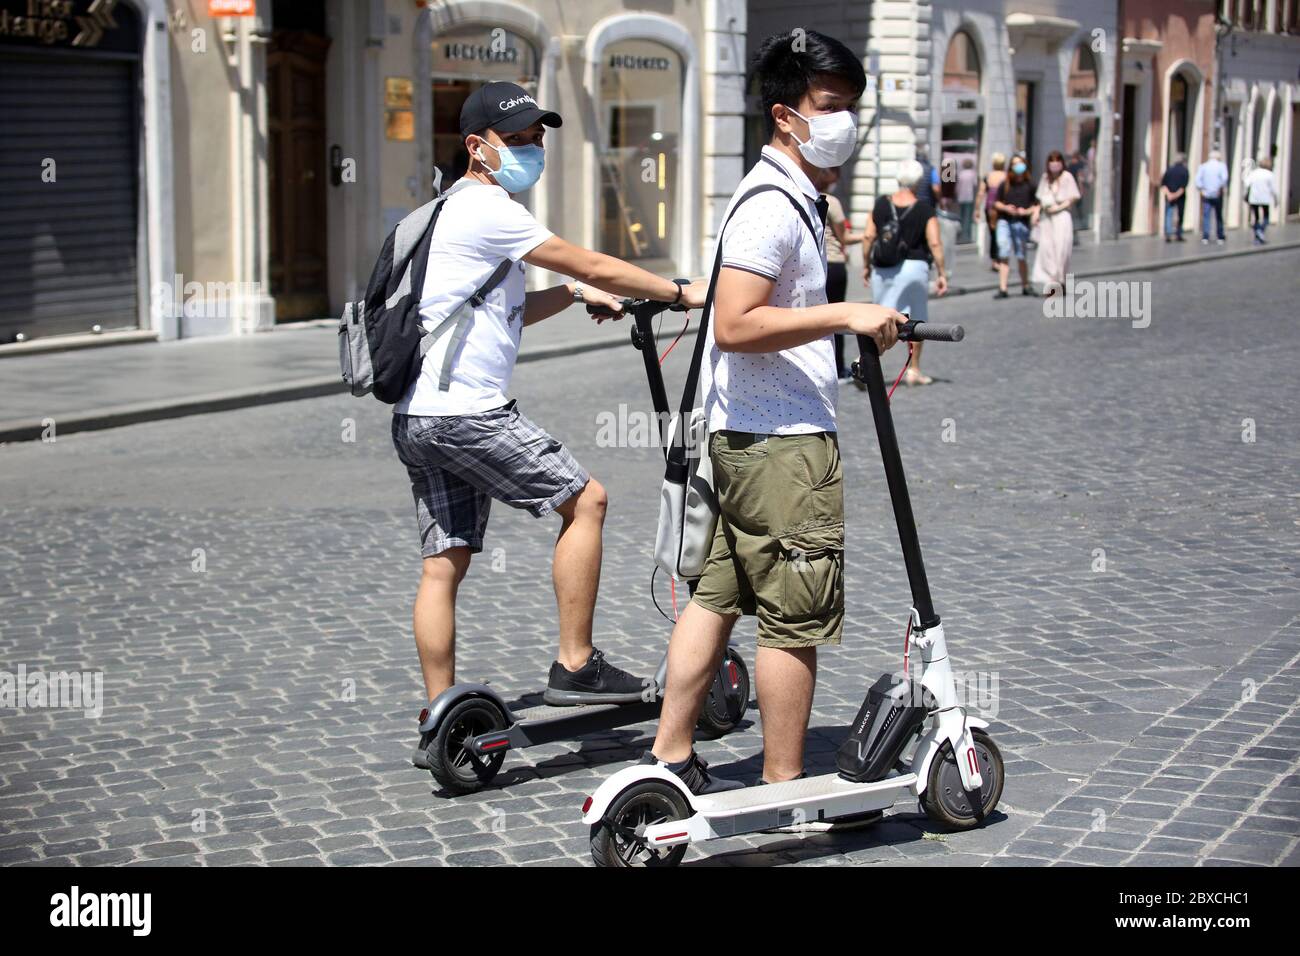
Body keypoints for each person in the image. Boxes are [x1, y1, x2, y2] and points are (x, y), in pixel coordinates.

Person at [393, 81, 711, 740]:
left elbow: (505, 310)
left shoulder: (442, 212)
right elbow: (588, 256)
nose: (533, 148)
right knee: (585, 500)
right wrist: (678, 292)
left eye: (538, 137)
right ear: (476, 147)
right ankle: (576, 663)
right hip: (467, 416)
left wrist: (569, 295)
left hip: (418, 418)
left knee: (443, 562)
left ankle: (443, 714)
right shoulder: (489, 209)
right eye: (517, 139)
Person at [643, 30, 906, 794]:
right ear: (787, 115)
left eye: (852, 107)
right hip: (782, 445)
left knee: (715, 598)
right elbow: (735, 322)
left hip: (743, 440)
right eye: (831, 107)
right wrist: (845, 314)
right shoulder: (774, 206)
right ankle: (784, 785)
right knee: (795, 618)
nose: (844, 122)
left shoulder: (784, 194)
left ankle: (669, 754)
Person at [862, 159, 948, 385]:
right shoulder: (925, 209)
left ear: (898, 179)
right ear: (919, 182)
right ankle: (914, 370)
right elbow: (935, 243)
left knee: (880, 317)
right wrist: (942, 273)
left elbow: (869, 236)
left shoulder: (881, 204)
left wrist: (865, 265)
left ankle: (866, 365)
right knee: (917, 319)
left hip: (884, 267)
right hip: (914, 267)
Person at [812, 165, 864, 383]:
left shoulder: (806, 198)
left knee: (816, 319)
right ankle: (838, 368)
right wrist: (867, 235)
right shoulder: (831, 202)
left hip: (816, 265)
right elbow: (845, 238)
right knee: (837, 317)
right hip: (834, 264)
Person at [1031, 149, 1080, 295]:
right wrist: (1036, 213)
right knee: (1047, 251)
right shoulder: (1045, 178)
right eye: (1052, 161)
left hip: (1062, 217)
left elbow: (1074, 197)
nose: (1054, 164)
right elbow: (1040, 198)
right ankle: (1053, 283)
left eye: (1057, 161)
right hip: (1047, 219)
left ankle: (1061, 280)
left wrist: (1059, 207)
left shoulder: (1067, 177)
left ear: (1061, 163)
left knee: (1061, 250)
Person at [992, 153, 1039, 298]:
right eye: (1014, 163)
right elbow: (996, 202)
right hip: (1004, 221)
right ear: (1010, 167)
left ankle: (1025, 285)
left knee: (1021, 255)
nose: (1018, 166)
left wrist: (1026, 212)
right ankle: (1003, 288)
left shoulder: (1030, 185)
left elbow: (1037, 205)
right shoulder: (1005, 184)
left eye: (1020, 163)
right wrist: (1006, 208)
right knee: (1004, 252)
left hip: (1021, 222)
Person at [975, 153, 1007, 271]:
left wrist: (977, 209)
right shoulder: (1006, 176)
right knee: (1002, 233)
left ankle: (995, 260)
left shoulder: (988, 176)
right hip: (1003, 207)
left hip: (990, 208)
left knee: (993, 234)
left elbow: (981, 193)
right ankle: (1000, 258)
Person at [1195, 149, 1229, 244]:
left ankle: (1206, 236)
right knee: (1218, 215)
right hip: (1217, 194)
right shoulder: (1221, 166)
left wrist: (1201, 189)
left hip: (1206, 194)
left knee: (1206, 215)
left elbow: (1197, 180)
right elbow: (1224, 179)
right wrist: (1219, 188)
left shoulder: (1203, 166)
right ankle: (1220, 236)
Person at [1244, 156, 1277, 244]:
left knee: (1256, 217)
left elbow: (1247, 183)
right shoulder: (1270, 174)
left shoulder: (1254, 173)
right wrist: (1276, 199)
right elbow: (1274, 189)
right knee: (1266, 217)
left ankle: (1258, 234)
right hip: (1265, 199)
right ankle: (1260, 231)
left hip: (1254, 198)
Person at [1160, 152, 1189, 242]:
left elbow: (1163, 184)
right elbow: (1183, 186)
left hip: (1169, 196)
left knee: (1168, 214)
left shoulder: (1169, 170)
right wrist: (1176, 195)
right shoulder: (1184, 171)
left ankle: (1168, 234)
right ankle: (1178, 234)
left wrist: (1169, 194)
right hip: (1180, 197)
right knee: (1180, 214)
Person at [956, 157, 979, 243]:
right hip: (970, 197)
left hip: (961, 197)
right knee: (968, 217)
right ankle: (967, 235)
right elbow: (975, 185)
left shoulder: (961, 174)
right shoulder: (973, 174)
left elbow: (957, 187)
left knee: (961, 216)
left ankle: (961, 234)